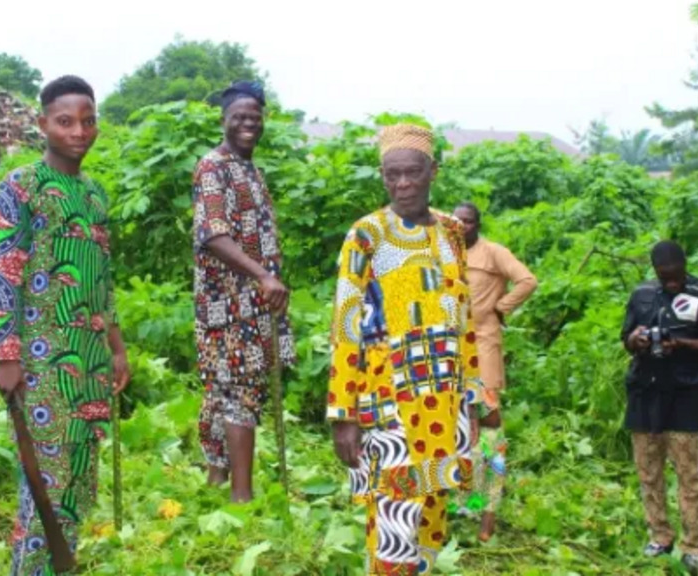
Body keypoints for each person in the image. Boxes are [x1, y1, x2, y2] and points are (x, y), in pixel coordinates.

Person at [327, 123, 485, 575]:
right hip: (388, 400)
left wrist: (473, 396)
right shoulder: (367, 235)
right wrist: (343, 414)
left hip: (444, 400)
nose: (402, 184)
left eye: (412, 173)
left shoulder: (451, 231)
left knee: (432, 517)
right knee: (394, 520)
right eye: (391, 174)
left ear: (432, 171)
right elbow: (346, 325)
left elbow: (463, 315)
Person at [0, 75, 130, 575]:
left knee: (78, 482)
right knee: (44, 484)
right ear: (42, 123)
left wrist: (116, 347)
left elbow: (102, 278)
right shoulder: (22, 186)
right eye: (66, 121)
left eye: (88, 121)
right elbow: (8, 270)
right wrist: (7, 355)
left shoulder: (94, 195)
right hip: (42, 359)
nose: (78, 132)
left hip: (89, 358)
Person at [191, 80, 296, 503]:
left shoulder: (250, 170)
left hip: (253, 302)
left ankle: (216, 484)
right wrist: (263, 276)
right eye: (239, 117)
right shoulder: (213, 167)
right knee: (239, 389)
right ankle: (241, 497)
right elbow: (213, 235)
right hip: (229, 303)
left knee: (224, 389)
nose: (248, 124)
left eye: (255, 118)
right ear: (224, 120)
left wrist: (266, 281)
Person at [622, 240, 698, 575]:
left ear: (685, 265)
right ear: (655, 271)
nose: (672, 282)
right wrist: (636, 340)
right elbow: (626, 338)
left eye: (676, 275)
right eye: (665, 276)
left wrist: (680, 343)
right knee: (648, 471)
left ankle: (694, 545)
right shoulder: (642, 295)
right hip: (645, 391)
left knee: (689, 474)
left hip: (685, 393)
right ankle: (660, 537)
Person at [452, 201, 537, 541]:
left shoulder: (494, 252)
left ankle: (489, 512)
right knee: (461, 429)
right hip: (449, 352)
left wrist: (502, 308)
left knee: (489, 425)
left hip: (483, 348)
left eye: (468, 221)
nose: (462, 226)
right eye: (457, 221)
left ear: (478, 224)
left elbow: (527, 281)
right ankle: (465, 504)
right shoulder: (444, 252)